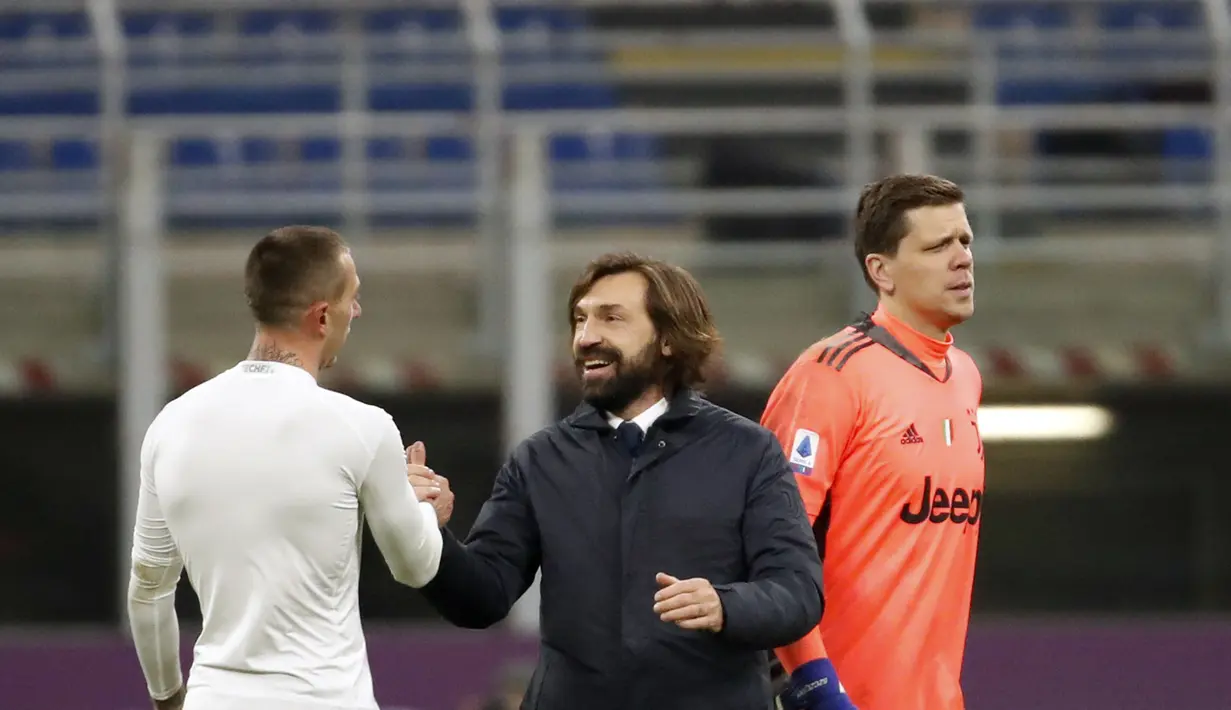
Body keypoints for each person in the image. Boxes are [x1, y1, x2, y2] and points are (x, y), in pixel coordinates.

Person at [410, 252, 823, 710]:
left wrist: (725, 604)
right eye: (580, 320)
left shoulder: (749, 451)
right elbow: (481, 599)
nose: (587, 338)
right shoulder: (540, 459)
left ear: (668, 339)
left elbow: (798, 593)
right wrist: (427, 531)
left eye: (611, 318)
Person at [126, 226, 444, 710]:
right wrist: (422, 508)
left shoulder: (171, 425)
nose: (355, 311)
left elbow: (148, 592)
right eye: (352, 298)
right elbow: (414, 565)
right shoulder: (361, 427)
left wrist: (168, 699)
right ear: (321, 316)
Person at [761, 174, 985, 710]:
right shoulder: (830, 373)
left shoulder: (966, 376)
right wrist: (814, 686)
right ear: (879, 271)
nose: (962, 259)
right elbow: (766, 546)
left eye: (965, 241)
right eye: (937, 246)